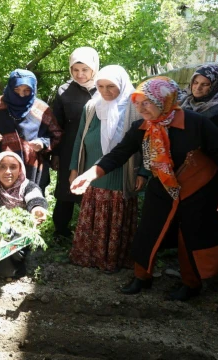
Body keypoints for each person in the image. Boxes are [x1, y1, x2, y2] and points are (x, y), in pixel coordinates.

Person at [70, 77, 218, 301]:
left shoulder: (196, 123)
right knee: (148, 230)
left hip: (198, 186)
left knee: (189, 234)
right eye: (137, 103)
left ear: (165, 101)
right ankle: (142, 277)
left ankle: (191, 283)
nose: (140, 108)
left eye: (146, 103)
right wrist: (91, 174)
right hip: (162, 184)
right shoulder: (143, 127)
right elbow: (120, 153)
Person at [68, 65, 144, 273]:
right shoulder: (92, 107)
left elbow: (147, 145)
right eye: (100, 86)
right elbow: (80, 139)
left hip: (123, 173)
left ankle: (113, 259)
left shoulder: (137, 108)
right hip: (93, 172)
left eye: (111, 87)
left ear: (122, 84)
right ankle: (89, 256)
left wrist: (143, 172)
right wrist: (75, 168)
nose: (105, 92)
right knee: (94, 212)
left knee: (117, 213)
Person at [0, 69, 62, 192]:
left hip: (32, 166)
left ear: (34, 89)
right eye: (17, 90)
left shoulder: (42, 109)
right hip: (1, 165)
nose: (21, 95)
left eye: (27, 91)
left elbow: (56, 135)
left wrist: (43, 143)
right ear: (10, 87)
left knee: (32, 202)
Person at [50, 47, 99, 239]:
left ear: (94, 68)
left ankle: (90, 232)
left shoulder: (104, 87)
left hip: (96, 145)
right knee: (66, 187)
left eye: (84, 70)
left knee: (94, 186)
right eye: (75, 70)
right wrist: (56, 153)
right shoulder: (64, 90)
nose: (80, 74)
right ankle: (60, 230)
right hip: (70, 145)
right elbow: (56, 124)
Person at [180, 64, 218, 137]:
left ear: (215, 86)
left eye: (205, 84)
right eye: (195, 83)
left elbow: (216, 140)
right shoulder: (184, 100)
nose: (198, 88)